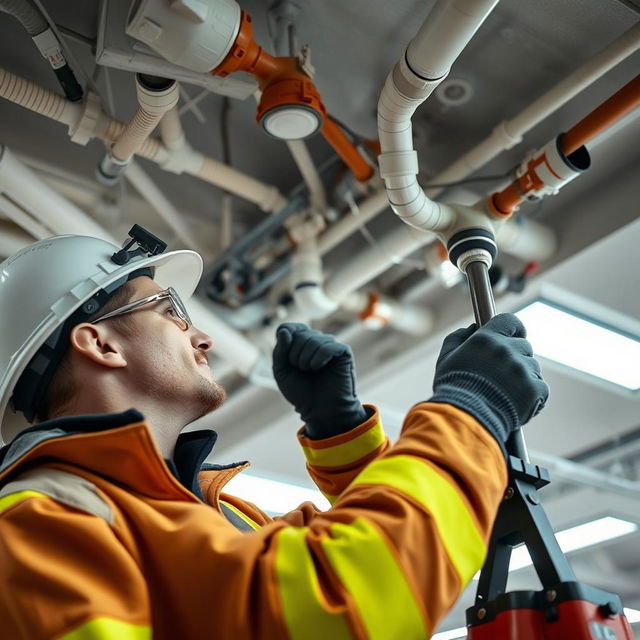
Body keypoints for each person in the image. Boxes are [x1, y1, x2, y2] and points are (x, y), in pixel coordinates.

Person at [0, 227, 548, 639]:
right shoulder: (36, 522)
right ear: (100, 345)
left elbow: (383, 577)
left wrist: (343, 434)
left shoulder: (221, 515)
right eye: (170, 311)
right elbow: (345, 601)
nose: (204, 337)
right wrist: (473, 407)